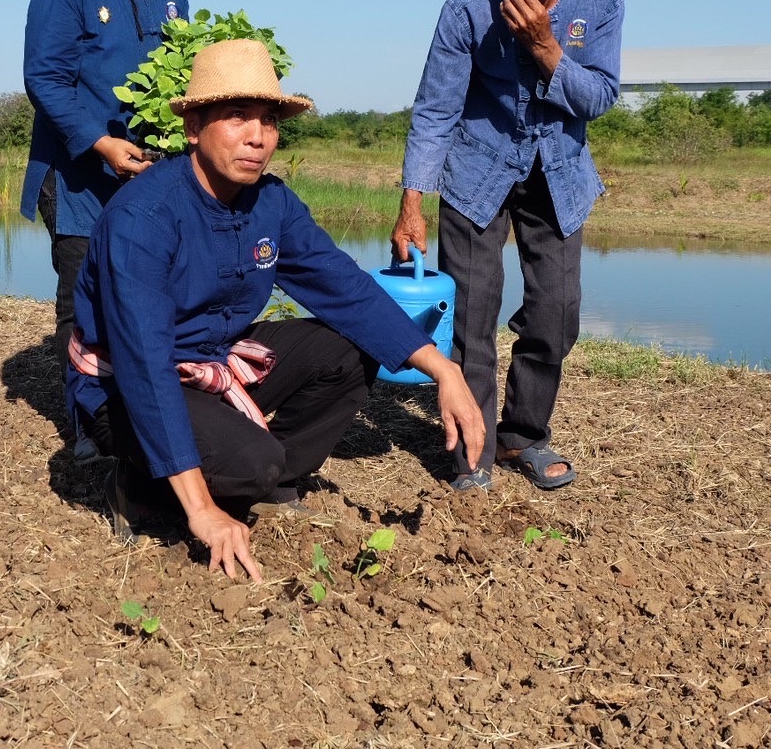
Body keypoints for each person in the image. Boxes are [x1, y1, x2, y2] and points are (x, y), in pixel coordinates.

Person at [68, 39, 486, 581]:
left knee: (346, 348)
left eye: (268, 119)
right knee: (251, 463)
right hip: (125, 386)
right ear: (194, 127)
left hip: (213, 358)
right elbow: (145, 365)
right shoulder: (145, 216)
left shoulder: (271, 201)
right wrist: (201, 511)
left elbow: (345, 288)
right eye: (236, 117)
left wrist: (442, 368)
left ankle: (256, 477)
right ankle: (142, 484)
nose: (257, 136)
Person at [392, 0, 623, 493]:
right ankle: (475, 448)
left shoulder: (600, 2)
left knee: (557, 314)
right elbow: (436, 109)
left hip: (560, 175)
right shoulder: (467, 5)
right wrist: (412, 200)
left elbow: (598, 98)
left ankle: (523, 433)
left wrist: (547, 47)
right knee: (471, 318)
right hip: (475, 173)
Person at [20, 0, 201, 387]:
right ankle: (87, 420)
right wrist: (102, 144)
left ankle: (142, 402)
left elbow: (181, 72)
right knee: (85, 296)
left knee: (150, 288)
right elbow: (45, 81)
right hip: (79, 175)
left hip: (153, 169)